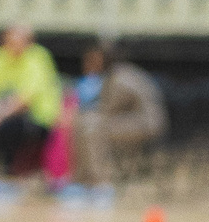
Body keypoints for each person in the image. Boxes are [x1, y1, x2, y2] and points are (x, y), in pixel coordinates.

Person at [68, 44, 165, 202]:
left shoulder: (119, 78)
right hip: (137, 121)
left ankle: (99, 186)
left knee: (91, 127)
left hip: (145, 125)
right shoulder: (120, 73)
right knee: (87, 124)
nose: (87, 65)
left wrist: (80, 115)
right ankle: (84, 182)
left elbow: (107, 111)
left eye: (92, 60)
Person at [0, 22, 59, 186]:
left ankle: (10, 174)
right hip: (0, 114)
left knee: (9, 128)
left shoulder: (37, 58)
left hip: (37, 117)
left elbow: (25, 100)